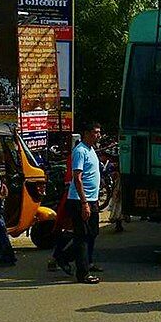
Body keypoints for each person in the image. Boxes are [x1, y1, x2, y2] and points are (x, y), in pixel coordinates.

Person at [57, 122, 101, 284]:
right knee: (82, 236)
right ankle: (83, 273)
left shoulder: (91, 150)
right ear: (87, 133)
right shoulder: (80, 151)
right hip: (79, 200)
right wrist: (84, 203)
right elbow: (77, 177)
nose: (98, 135)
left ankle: (62, 256)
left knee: (92, 233)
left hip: (92, 199)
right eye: (95, 132)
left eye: (99, 132)